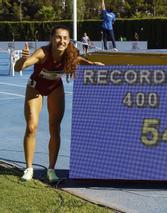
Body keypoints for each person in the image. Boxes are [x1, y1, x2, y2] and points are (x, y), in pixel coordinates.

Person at [14, 25, 104, 182]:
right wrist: (23, 60)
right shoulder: (43, 52)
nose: (61, 41)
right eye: (58, 37)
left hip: (55, 88)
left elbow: (78, 60)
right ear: (51, 38)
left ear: (69, 40)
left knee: (55, 128)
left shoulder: (70, 53)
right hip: (36, 88)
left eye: (65, 38)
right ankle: (28, 169)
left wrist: (92, 65)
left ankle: (51, 170)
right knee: (31, 127)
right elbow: (20, 67)